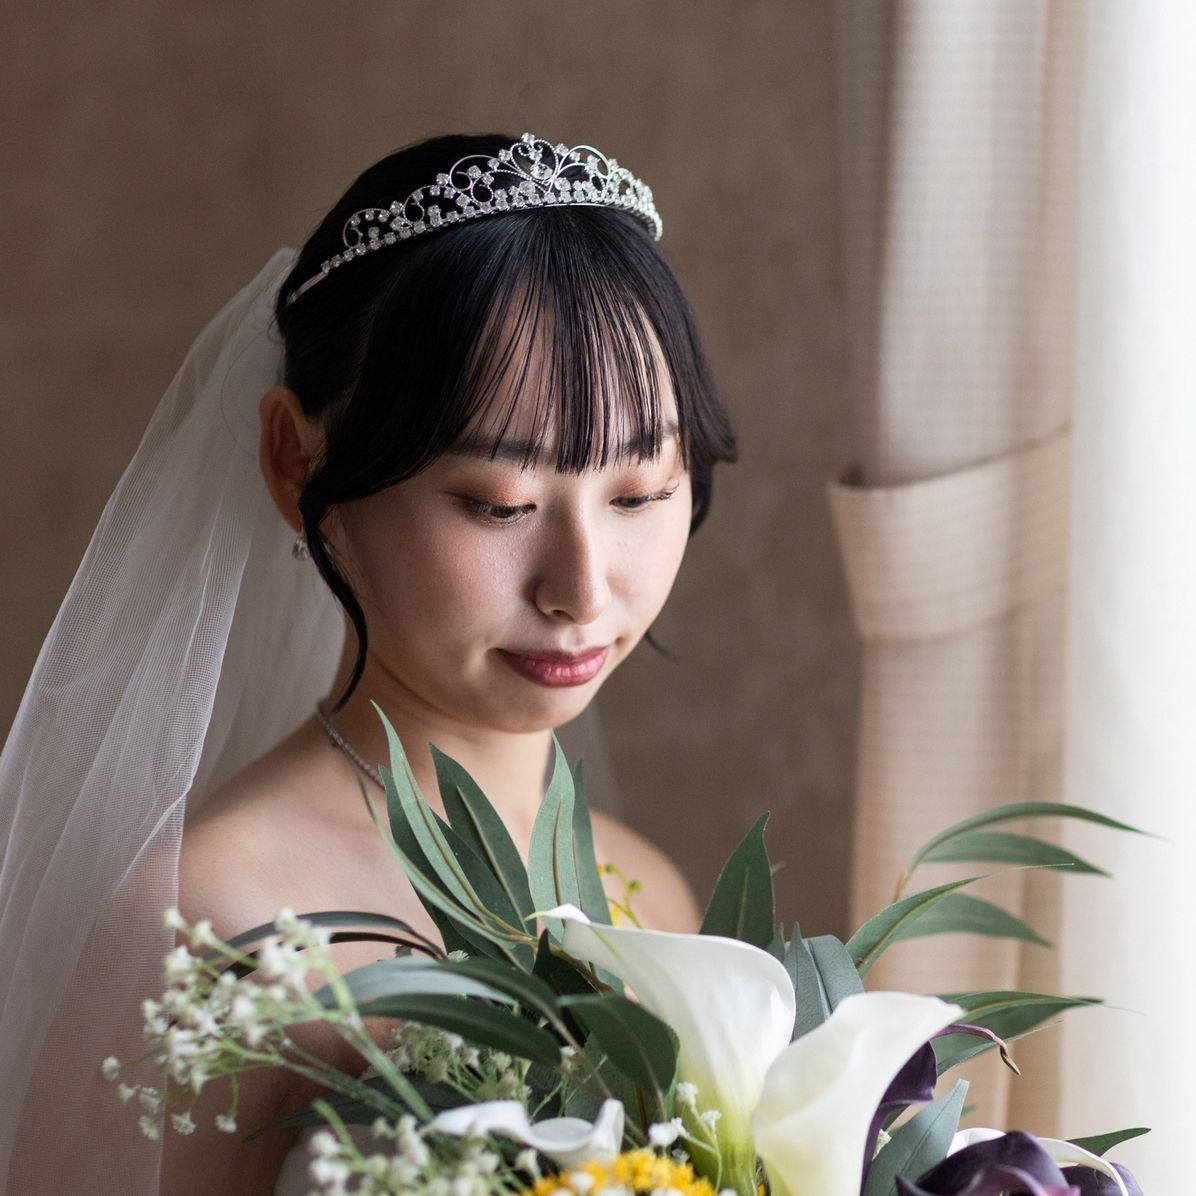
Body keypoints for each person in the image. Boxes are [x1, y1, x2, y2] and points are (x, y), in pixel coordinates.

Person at [0, 131, 736, 1195]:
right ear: (296, 461)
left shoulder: (648, 885)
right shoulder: (218, 924)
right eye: (500, 504)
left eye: (640, 493)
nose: (580, 589)